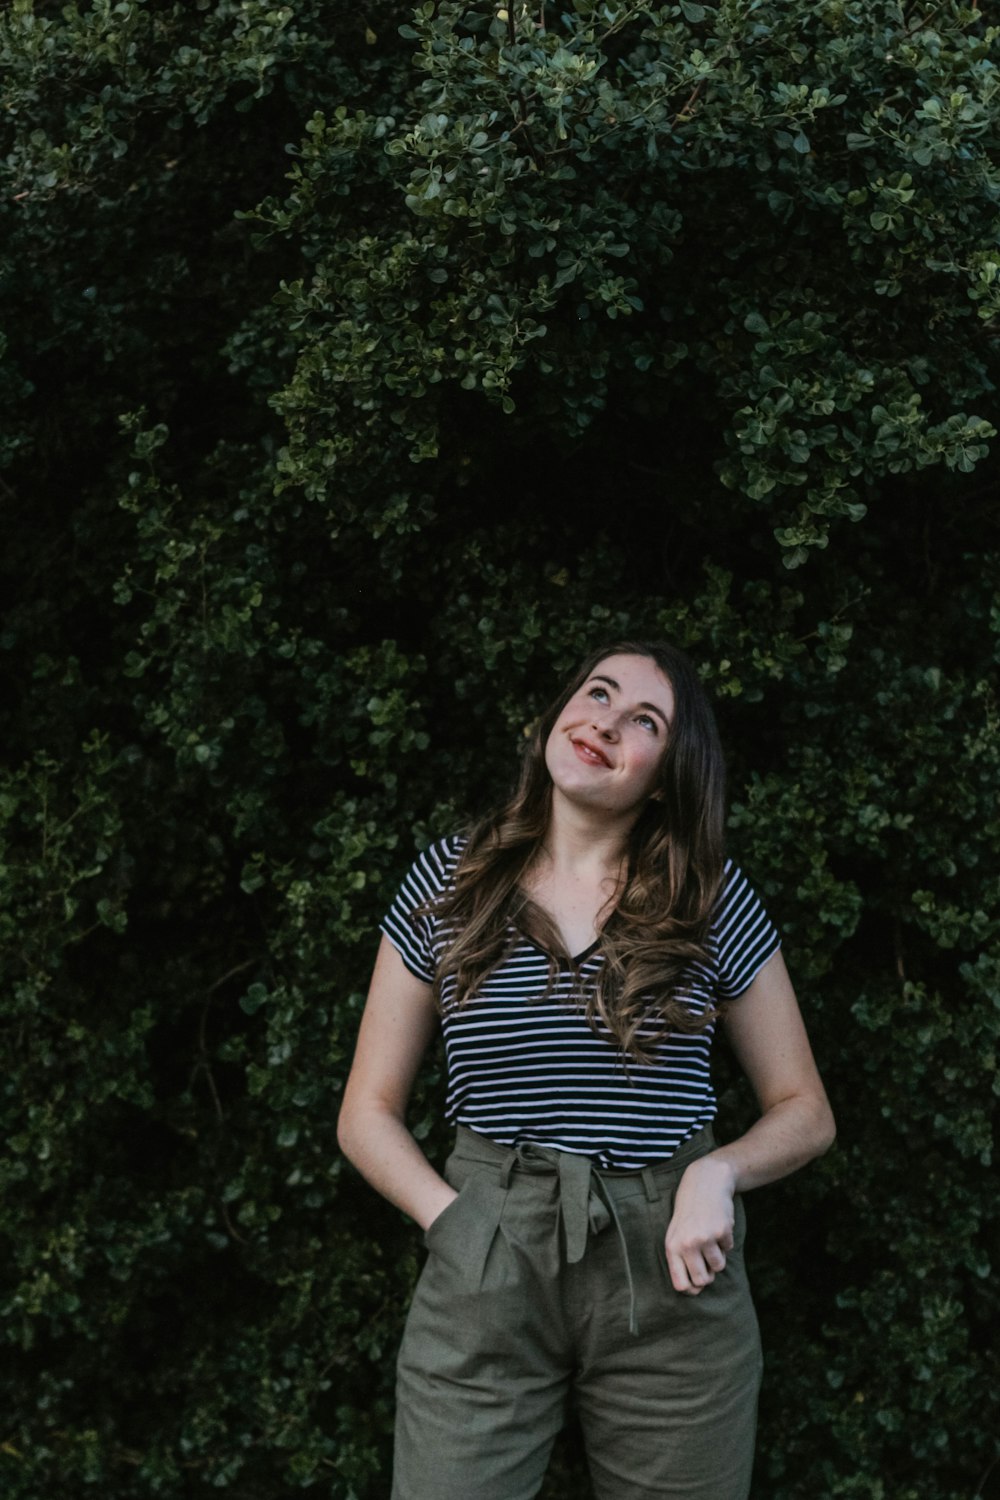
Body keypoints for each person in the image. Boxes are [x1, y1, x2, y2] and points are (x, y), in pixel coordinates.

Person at [337, 640, 835, 1500]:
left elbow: (805, 1108)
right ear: (557, 715)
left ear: (667, 774)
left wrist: (719, 1172)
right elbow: (366, 1112)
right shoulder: (448, 881)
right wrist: (457, 1226)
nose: (606, 720)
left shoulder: (710, 897)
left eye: (645, 720)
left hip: (674, 1271)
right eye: (597, 693)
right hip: (488, 1254)